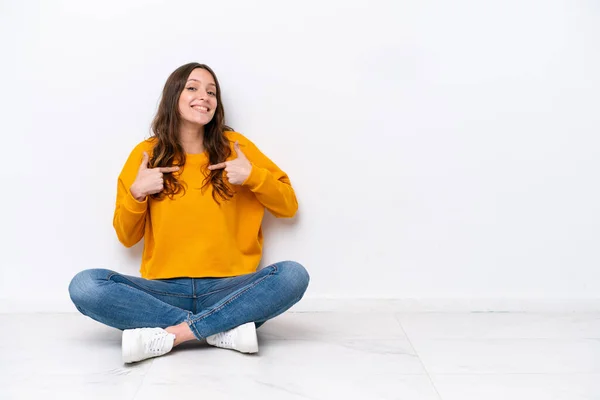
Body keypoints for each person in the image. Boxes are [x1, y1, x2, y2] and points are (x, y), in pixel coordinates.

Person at [68, 62, 309, 364]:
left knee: (292, 275)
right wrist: (137, 193)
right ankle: (221, 329)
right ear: (174, 96)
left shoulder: (237, 147)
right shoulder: (147, 154)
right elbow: (126, 237)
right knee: (85, 285)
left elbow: (288, 207)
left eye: (212, 92)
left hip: (229, 288)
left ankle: (176, 334)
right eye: (192, 88)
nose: (204, 97)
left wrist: (253, 176)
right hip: (164, 291)